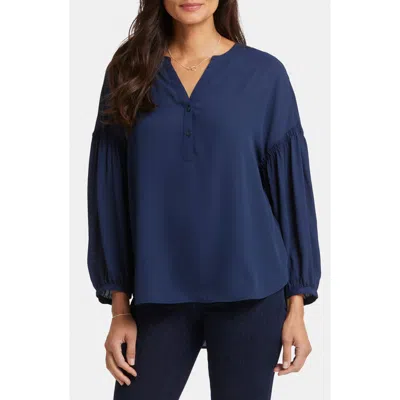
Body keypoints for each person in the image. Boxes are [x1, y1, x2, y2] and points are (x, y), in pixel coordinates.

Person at [86, 1, 322, 399]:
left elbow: (290, 190)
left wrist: (296, 306)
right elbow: (109, 194)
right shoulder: (128, 72)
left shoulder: (265, 75)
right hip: (159, 292)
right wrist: (120, 309)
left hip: (252, 293)